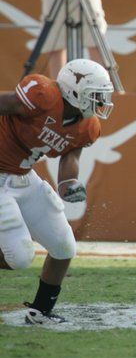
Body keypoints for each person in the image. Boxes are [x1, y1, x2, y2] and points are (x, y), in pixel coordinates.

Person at [0, 58, 114, 324]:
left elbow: (69, 159)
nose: (100, 102)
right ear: (75, 90)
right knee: (19, 257)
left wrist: (68, 184)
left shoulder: (88, 126)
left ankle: (40, 312)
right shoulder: (42, 94)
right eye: (95, 95)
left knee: (64, 246)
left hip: (24, 178)